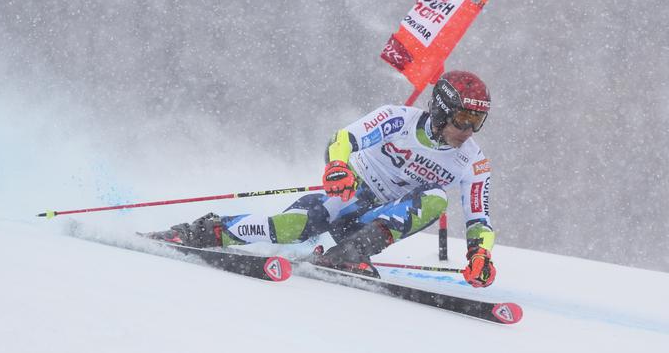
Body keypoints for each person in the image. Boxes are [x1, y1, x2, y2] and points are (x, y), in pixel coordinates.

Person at [149, 70, 496, 287]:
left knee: (436, 197)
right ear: (440, 109)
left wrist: (481, 254)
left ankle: (348, 254)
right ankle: (202, 232)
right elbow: (344, 139)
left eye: (477, 121)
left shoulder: (472, 161)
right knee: (292, 227)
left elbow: (480, 218)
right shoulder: (397, 118)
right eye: (464, 118)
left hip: (376, 223)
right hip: (352, 193)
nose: (468, 130)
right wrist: (337, 167)